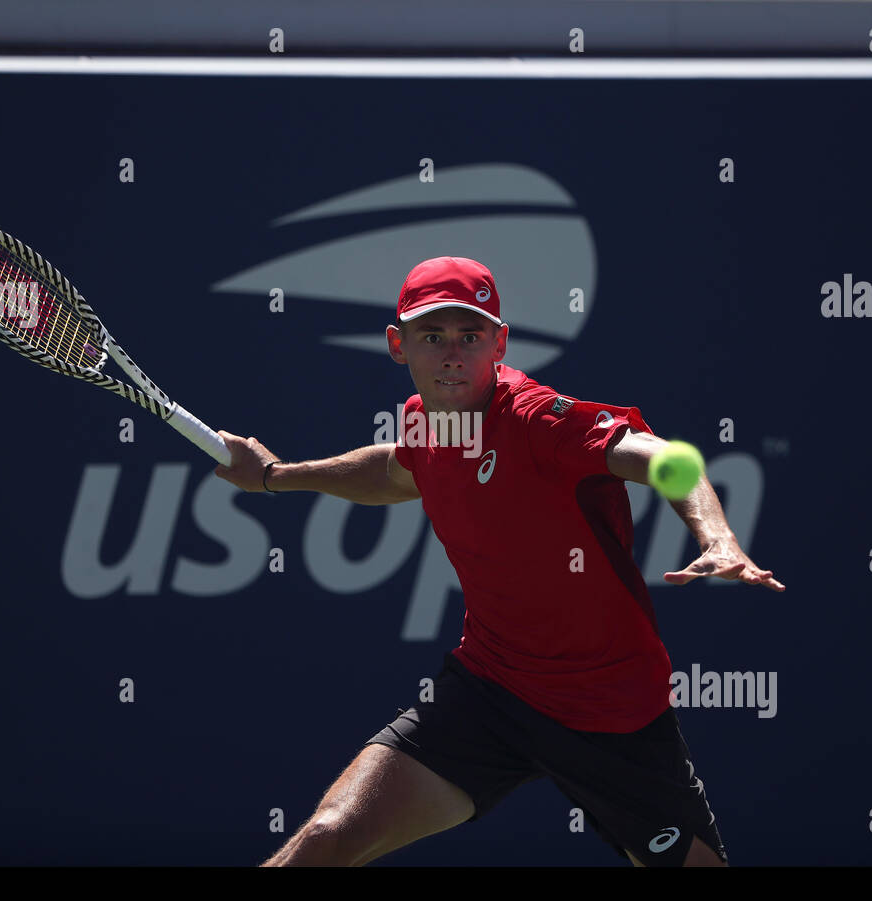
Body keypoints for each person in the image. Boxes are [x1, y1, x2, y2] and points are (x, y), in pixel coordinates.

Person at [213, 256, 784, 867]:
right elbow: (396, 470)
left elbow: (664, 458)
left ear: (500, 343)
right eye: (432, 337)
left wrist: (716, 535)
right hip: (490, 690)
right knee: (328, 838)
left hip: (611, 711)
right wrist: (275, 476)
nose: (452, 354)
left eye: (471, 336)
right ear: (397, 346)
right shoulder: (426, 423)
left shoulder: (540, 422)